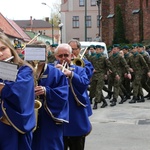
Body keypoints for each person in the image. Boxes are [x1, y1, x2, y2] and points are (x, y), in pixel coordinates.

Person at [30, 41, 69, 150]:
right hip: (28, 119)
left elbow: (63, 95)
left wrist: (47, 91)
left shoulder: (56, 73)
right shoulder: (24, 71)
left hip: (49, 120)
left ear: (46, 54)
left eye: (41, 52)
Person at [0, 32, 35, 150]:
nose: (0, 54)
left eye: (3, 48)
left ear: (11, 49)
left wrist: (3, 69)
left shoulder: (24, 70)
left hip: (12, 128)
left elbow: (16, 93)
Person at [54, 43, 92, 150]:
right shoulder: (52, 70)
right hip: (59, 116)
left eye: (66, 55)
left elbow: (84, 83)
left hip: (75, 116)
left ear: (71, 56)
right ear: (56, 57)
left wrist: (70, 74)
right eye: (60, 56)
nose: (63, 58)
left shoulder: (79, 69)